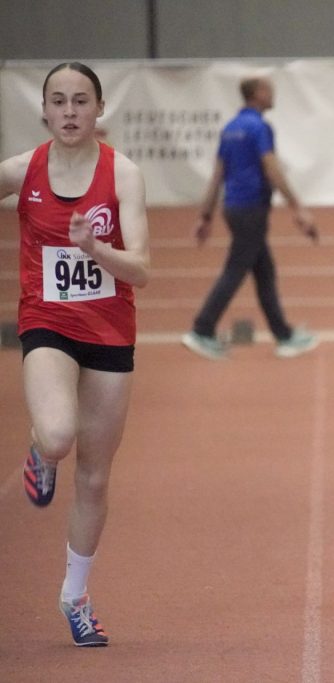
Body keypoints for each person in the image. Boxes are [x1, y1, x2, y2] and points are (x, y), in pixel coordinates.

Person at [0, 62, 151, 645]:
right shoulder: (22, 171)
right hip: (48, 321)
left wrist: (96, 249)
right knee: (59, 434)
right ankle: (42, 450)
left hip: (110, 331)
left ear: (99, 108)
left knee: (93, 475)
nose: (69, 112)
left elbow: (141, 269)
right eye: (58, 101)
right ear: (44, 110)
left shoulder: (124, 174)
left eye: (80, 101)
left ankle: (75, 596)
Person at [181, 75, 319, 360]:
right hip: (251, 209)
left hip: (234, 208)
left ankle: (284, 336)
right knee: (235, 270)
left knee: (264, 271)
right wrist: (297, 208)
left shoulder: (230, 128)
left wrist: (206, 215)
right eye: (269, 89)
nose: (273, 93)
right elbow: (271, 167)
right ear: (256, 94)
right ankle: (201, 329)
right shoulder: (259, 127)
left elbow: (217, 174)